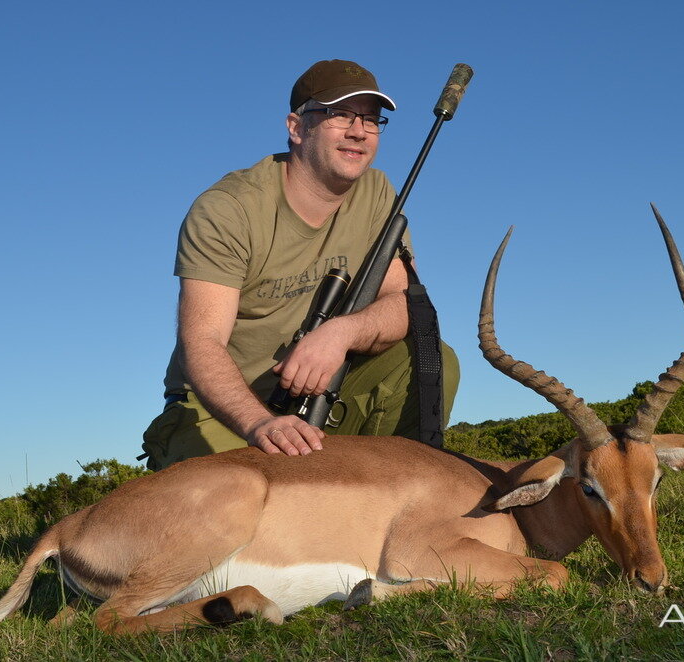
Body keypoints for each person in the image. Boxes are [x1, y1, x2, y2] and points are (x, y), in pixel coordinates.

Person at [140, 59, 459, 471]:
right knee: (236, 511)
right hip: (228, 406)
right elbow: (201, 342)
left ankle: (392, 502)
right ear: (296, 127)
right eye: (338, 114)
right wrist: (260, 424)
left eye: (370, 119)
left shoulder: (379, 194)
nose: (358, 131)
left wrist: (341, 332)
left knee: (432, 359)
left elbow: (402, 304)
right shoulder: (227, 209)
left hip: (326, 389)